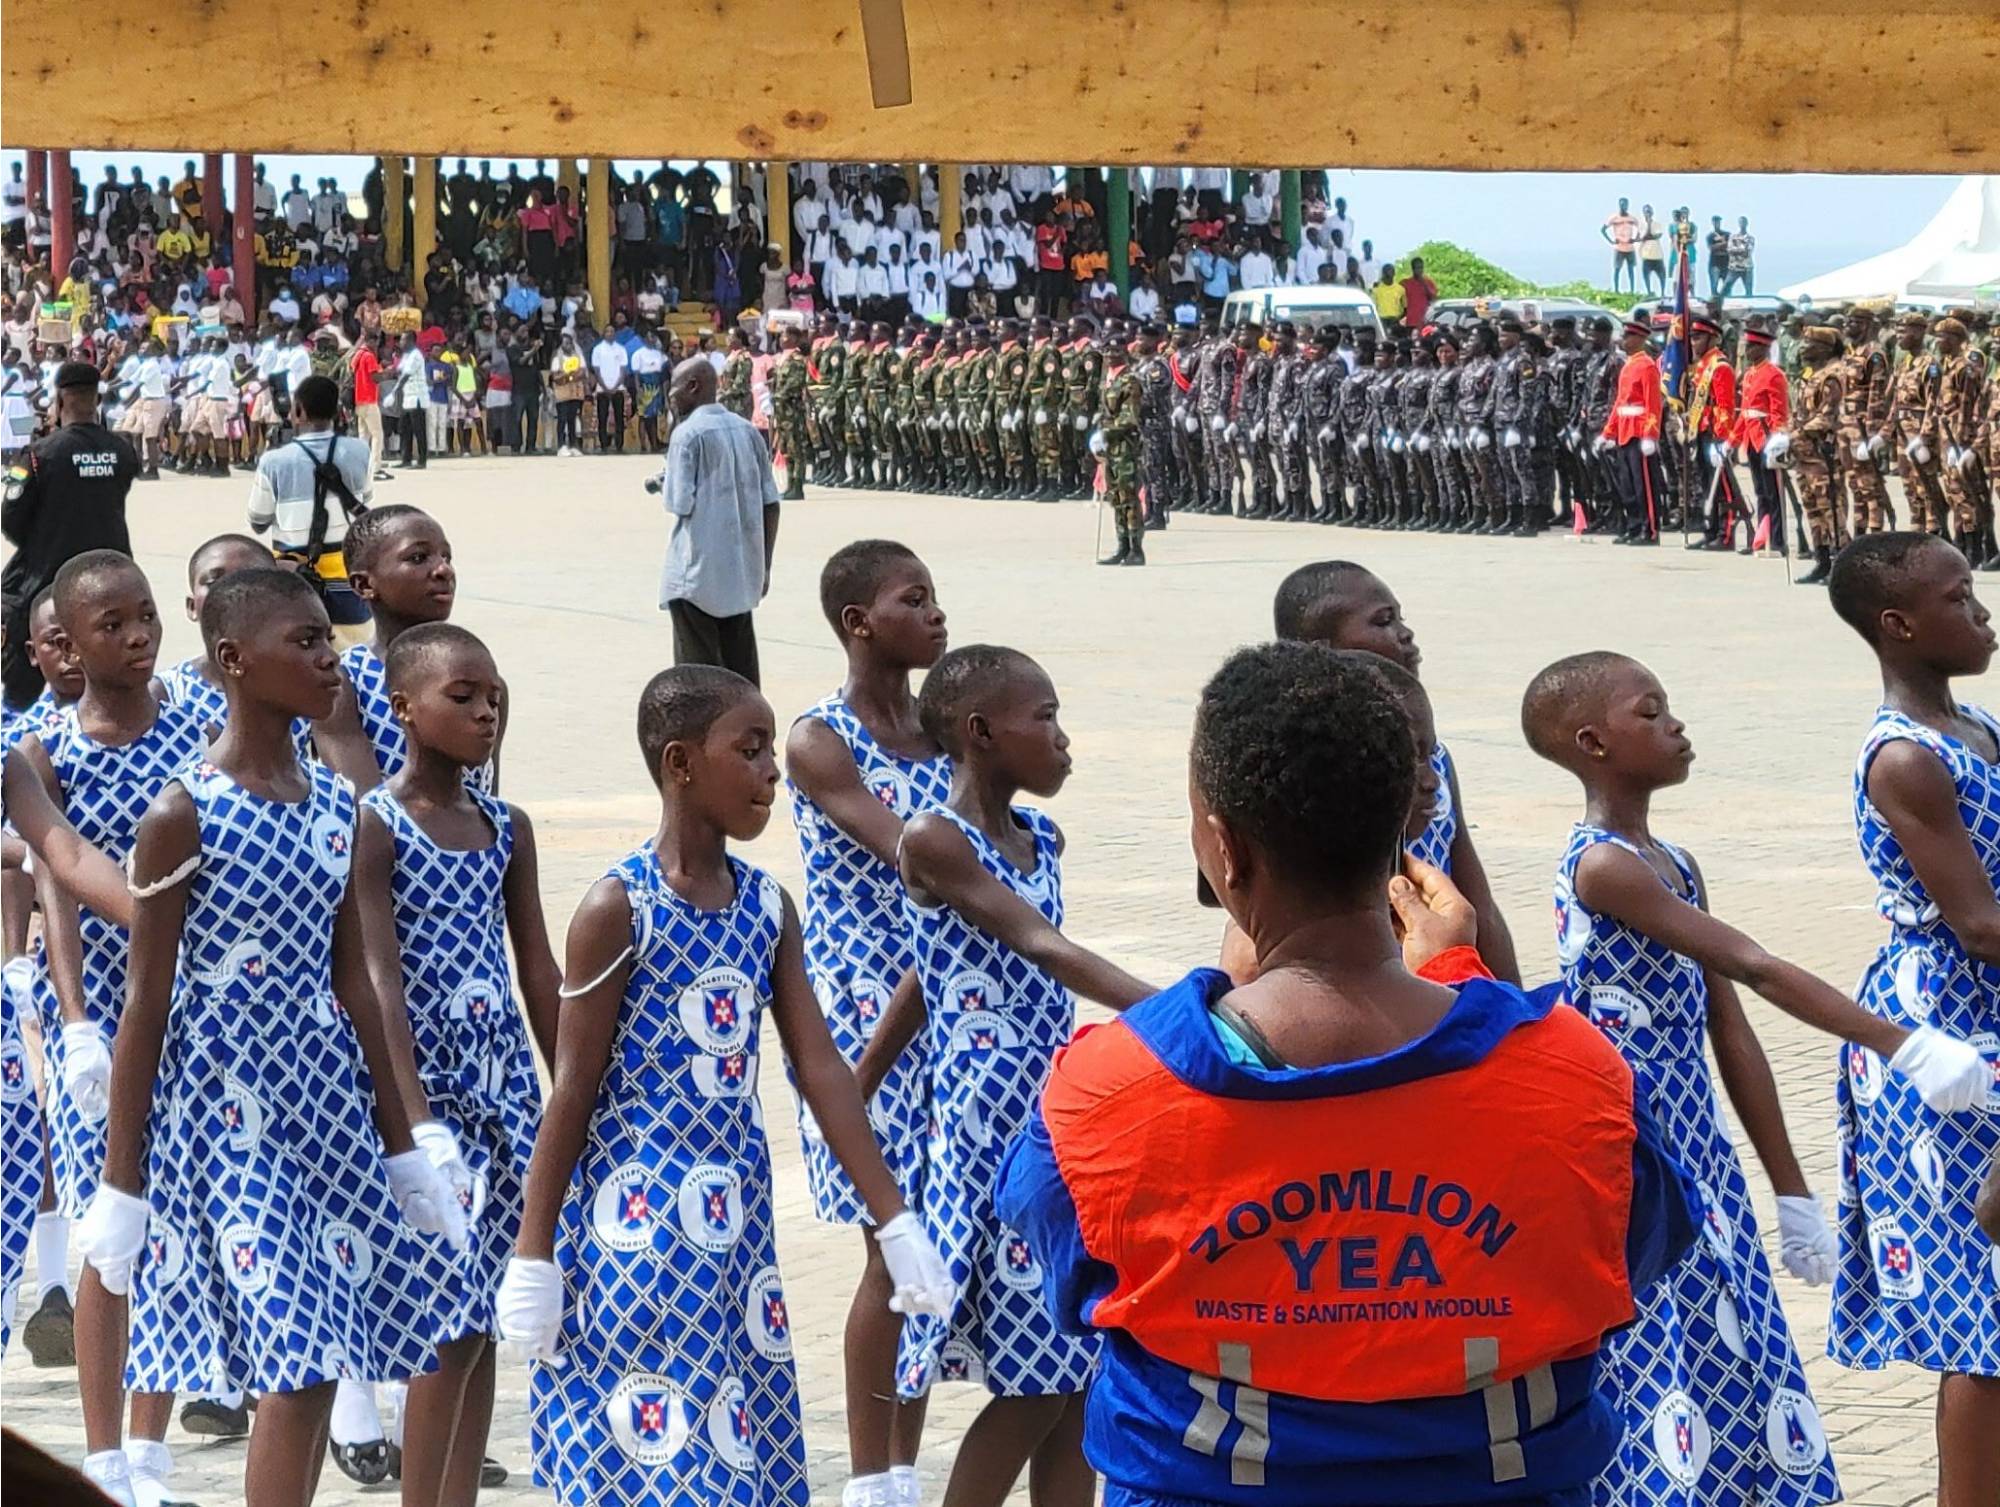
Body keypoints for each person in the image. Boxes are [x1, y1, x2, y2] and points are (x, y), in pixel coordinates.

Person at [999, 642, 1696, 1507]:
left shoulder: (1105, 1091)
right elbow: (1641, 1245)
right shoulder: (1575, 1073)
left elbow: (1074, 1273)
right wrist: (1462, 985)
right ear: (1399, 834)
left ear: (1223, 847)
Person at [1524, 650, 1987, 1507]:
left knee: (1731, 1343)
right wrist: (1903, 1044)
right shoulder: (1603, 867)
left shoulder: (1673, 861)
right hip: (1629, 1150)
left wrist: (1789, 1188)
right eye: (1650, 711)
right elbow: (1758, 965)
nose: (1676, 724)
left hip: (1698, 1146)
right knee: (1662, 1351)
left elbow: (1730, 1024)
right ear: (1593, 742)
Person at [495, 664, 951, 1506]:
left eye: (770, 749)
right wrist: (533, 1252)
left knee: (739, 1451)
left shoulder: (766, 907)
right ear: (680, 762)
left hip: (735, 1237)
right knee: (662, 1462)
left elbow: (820, 1068)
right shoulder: (617, 907)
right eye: (748, 750)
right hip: (637, 1231)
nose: (771, 771)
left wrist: (893, 1217)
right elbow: (572, 1088)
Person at [75, 567, 467, 1507]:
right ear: (234, 661)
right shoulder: (184, 813)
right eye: (304, 642)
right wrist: (121, 1184)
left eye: (328, 640)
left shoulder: (341, 807)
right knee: (293, 1362)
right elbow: (146, 1001)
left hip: (323, 1109)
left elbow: (360, 983)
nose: (329, 658)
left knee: (328, 1362)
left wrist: (405, 1141)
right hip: (222, 1116)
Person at [856, 645, 1156, 1507]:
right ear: (983, 733)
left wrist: (865, 1069)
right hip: (990, 1137)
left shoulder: (1039, 838)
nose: (1064, 740)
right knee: (1033, 1389)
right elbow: (1038, 945)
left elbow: (936, 960)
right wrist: (1182, 1012)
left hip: (1053, 1123)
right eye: (1047, 718)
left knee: (1074, 1382)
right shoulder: (933, 838)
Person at [351, 623, 560, 1507]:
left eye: (494, 696)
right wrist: (416, 1118)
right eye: (463, 697)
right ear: (404, 708)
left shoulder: (503, 825)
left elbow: (538, 969)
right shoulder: (376, 822)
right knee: (442, 1320)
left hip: (502, 1090)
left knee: (479, 1326)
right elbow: (377, 976)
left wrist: (574, 1091)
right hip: (421, 1091)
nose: (486, 712)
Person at [1825, 533, 2000, 1507]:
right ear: (1897, 625)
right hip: (1947, 1031)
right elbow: (1976, 925)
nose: (1980, 615)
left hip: (1984, 1005)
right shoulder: (1903, 758)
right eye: (1958, 598)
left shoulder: (1973, 726)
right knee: (1983, 1323)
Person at [783, 542, 953, 1507]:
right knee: (889, 1250)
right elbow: (924, 856)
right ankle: (871, 1473)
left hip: (949, 1007)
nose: (935, 615)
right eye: (913, 600)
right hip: (862, 1018)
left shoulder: (941, 727)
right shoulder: (821, 739)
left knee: (931, 1249)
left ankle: (903, 1462)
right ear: (858, 623)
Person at [1263, 561, 1520, 977]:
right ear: (1320, 651)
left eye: (1400, 617)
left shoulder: (1435, 762)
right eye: (1383, 621)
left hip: (1444, 984)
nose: (1405, 633)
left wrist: (1516, 1010)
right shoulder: (1305, 779)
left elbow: (1479, 907)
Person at [1, 362, 139, 709]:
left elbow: (9, 515)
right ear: (96, 401)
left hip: (50, 572)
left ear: (59, 401)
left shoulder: (37, 456)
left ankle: (19, 717)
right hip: (110, 571)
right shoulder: (122, 451)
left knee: (20, 631)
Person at [653, 356, 781, 685]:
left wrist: (666, 478)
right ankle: (752, 731)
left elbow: (678, 502)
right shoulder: (748, 431)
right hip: (740, 572)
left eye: (674, 393)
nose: (672, 399)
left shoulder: (688, 434)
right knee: (742, 672)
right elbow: (771, 503)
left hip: (696, 576)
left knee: (700, 680)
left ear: (693, 388)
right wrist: (763, 566)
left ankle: (708, 735)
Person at [245, 374, 374, 643]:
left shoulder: (274, 461)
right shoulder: (360, 450)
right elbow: (366, 500)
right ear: (337, 411)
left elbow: (258, 521)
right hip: (347, 574)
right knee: (352, 655)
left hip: (294, 577)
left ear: (299, 411)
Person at [1599, 316, 1663, 545]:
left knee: (1643, 484)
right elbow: (1619, 402)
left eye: (1627, 336)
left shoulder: (1646, 366)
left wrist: (1650, 434)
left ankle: (1650, 529)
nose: (1623, 340)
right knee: (1627, 484)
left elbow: (1653, 403)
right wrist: (1608, 431)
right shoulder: (1628, 365)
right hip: (1625, 429)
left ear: (1639, 338)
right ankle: (1634, 525)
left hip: (1639, 430)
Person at [1732, 327, 1790, 555]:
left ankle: (1777, 540)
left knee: (1773, 492)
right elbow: (1745, 412)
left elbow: (1778, 410)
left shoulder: (1773, 374)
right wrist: (1732, 440)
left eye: (1753, 347)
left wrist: (1779, 435)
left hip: (1767, 438)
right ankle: (1761, 536)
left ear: (1764, 348)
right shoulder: (1749, 375)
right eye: (1747, 346)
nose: (1748, 351)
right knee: (1760, 492)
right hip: (1752, 437)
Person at [1096, 336, 1147, 566]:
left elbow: (1129, 418)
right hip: (1110, 448)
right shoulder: (1107, 378)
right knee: (1115, 497)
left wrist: (1105, 432)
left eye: (1114, 350)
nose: (1109, 354)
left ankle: (1136, 549)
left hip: (1125, 446)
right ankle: (1122, 545)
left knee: (1128, 497)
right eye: (1106, 350)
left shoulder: (1129, 380)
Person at [589, 328, 630, 453]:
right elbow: (596, 370)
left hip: (618, 388)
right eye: (607, 331)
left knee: (619, 418)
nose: (610, 333)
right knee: (602, 417)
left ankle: (619, 445)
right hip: (602, 389)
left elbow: (623, 370)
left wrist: (616, 386)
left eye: (612, 331)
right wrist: (605, 387)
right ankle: (603, 445)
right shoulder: (598, 349)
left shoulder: (621, 349)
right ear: (603, 334)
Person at [1603, 197, 1639, 294]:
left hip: (1630, 248)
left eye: (1625, 204)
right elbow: (1603, 229)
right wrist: (1611, 240)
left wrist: (1635, 239)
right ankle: (1616, 290)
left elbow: (1641, 228)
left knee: (1631, 270)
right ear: (1619, 205)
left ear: (1628, 205)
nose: (1623, 206)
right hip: (1619, 248)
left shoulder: (1632, 218)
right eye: (1621, 204)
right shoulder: (1614, 218)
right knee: (1617, 269)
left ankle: (1632, 290)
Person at [1398, 256, 1437, 330]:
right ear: (1413, 269)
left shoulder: (1429, 282)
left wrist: (1424, 283)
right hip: (1410, 322)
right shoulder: (1405, 283)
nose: (1419, 270)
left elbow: (1433, 299)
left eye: (1421, 268)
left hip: (1425, 321)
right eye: (1417, 268)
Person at [1637, 204, 1667, 296]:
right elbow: (1640, 237)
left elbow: (1657, 235)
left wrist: (1648, 234)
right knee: (1646, 276)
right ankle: (1649, 292)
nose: (1648, 214)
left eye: (1649, 211)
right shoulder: (1641, 225)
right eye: (1646, 212)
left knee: (1662, 276)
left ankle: (1662, 293)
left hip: (1657, 255)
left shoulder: (1657, 224)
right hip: (1646, 255)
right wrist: (1647, 233)